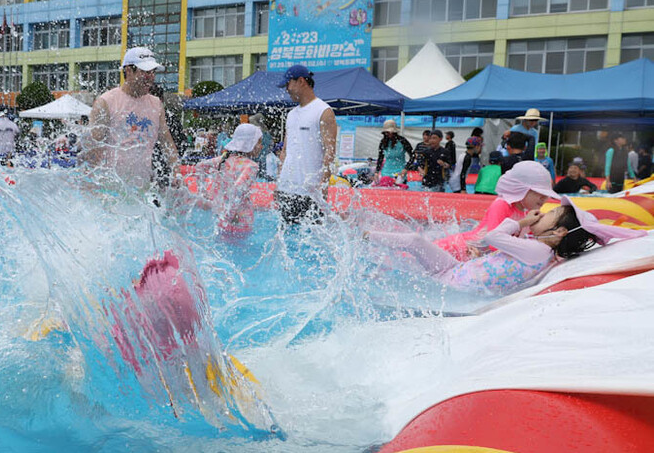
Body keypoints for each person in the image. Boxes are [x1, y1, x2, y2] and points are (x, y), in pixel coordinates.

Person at [370, 196, 644, 295]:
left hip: (451, 282)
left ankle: (363, 237)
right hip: (456, 272)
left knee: (415, 241)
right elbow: (498, 254)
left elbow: (491, 236)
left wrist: (521, 221)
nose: (542, 214)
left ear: (559, 231)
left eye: (549, 214)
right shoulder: (542, 251)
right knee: (413, 247)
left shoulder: (539, 250)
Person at [82, 47, 181, 189]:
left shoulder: (156, 104)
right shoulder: (106, 102)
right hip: (110, 187)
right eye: (145, 72)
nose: (151, 77)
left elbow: (167, 143)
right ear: (128, 71)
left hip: (142, 187)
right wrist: (90, 187)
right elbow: (94, 149)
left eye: (153, 72)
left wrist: (176, 172)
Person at [435, 161, 560, 261]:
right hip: (455, 248)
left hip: (471, 255)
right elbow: (494, 244)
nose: (545, 198)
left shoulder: (527, 214)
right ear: (521, 189)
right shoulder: (501, 205)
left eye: (546, 193)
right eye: (540, 193)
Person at [274, 65, 337, 224]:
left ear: (301, 81)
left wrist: (322, 187)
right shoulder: (291, 114)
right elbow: (285, 151)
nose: (286, 90)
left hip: (310, 192)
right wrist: (278, 182)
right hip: (287, 189)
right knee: (286, 238)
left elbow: (330, 151)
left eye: (288, 84)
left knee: (311, 243)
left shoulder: (323, 111)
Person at [193, 123, 263, 239]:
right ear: (250, 143)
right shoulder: (251, 166)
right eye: (259, 142)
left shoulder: (224, 159)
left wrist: (203, 194)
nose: (261, 146)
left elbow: (199, 167)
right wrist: (230, 215)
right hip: (240, 220)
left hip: (220, 217)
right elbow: (237, 189)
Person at [248, 114, 274, 178]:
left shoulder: (258, 131)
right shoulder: (266, 131)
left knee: (256, 172)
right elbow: (271, 144)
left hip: (258, 154)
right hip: (264, 155)